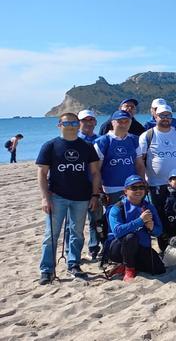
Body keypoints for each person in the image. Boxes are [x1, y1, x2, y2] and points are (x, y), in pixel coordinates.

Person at [36, 113, 102, 284]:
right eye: (67, 123)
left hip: (81, 197)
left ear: (78, 124)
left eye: (74, 122)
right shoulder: (50, 146)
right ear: (59, 125)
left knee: (77, 233)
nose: (71, 126)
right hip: (57, 197)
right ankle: (47, 270)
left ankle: (74, 264)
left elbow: (95, 173)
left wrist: (95, 195)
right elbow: (42, 174)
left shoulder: (87, 146)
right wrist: (45, 198)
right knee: (51, 235)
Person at [93, 110, 143, 260]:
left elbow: (139, 164)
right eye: (119, 121)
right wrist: (99, 189)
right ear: (112, 122)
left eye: (126, 121)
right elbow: (96, 169)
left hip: (133, 189)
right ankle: (112, 251)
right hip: (111, 189)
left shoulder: (134, 140)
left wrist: (142, 184)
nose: (123, 123)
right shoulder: (103, 141)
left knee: (133, 219)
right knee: (113, 222)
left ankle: (133, 250)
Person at [136, 104, 176, 212]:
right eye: (162, 115)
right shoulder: (147, 135)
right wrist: (141, 181)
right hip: (156, 183)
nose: (165, 118)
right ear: (156, 117)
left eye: (168, 116)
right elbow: (140, 161)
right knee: (159, 212)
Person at [106, 175, 165, 281]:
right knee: (130, 237)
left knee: (159, 269)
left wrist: (152, 227)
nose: (138, 190)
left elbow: (159, 231)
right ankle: (129, 269)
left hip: (141, 247)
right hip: (120, 248)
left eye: (141, 187)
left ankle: (125, 266)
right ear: (125, 191)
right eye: (134, 188)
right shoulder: (117, 208)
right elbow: (117, 232)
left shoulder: (149, 207)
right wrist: (140, 221)